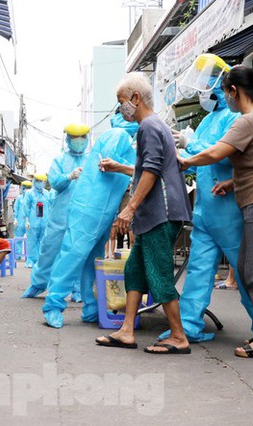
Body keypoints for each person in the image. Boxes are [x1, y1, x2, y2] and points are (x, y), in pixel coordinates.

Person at [178, 66, 253, 359]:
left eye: (226, 92)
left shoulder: (246, 120)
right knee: (248, 270)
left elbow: (215, 153)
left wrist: (186, 159)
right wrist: (231, 182)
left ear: (233, 91)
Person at [156, 54, 253, 343]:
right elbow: (194, 157)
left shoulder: (235, 118)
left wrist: (190, 144)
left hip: (227, 210)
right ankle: (187, 325)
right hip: (205, 210)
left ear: (224, 89)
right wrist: (179, 149)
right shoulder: (207, 121)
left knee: (245, 271)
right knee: (199, 270)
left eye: (207, 88)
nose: (203, 94)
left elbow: (219, 153)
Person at [94, 72, 192, 354]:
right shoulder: (155, 125)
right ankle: (127, 330)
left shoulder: (148, 127)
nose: (120, 107)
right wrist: (122, 169)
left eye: (121, 101)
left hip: (160, 214)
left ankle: (178, 336)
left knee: (159, 274)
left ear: (135, 99)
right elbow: (154, 168)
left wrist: (130, 207)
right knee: (134, 270)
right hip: (157, 215)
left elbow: (151, 170)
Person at [41, 112, 138, 328]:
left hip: (101, 210)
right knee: (72, 257)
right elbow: (109, 163)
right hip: (89, 209)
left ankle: (91, 308)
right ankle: (53, 304)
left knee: (90, 263)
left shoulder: (127, 140)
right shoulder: (119, 134)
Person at [22, 123, 90, 301]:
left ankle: (78, 290)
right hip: (60, 214)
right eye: (75, 137)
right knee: (49, 249)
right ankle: (38, 283)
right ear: (67, 138)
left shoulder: (91, 160)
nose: (79, 141)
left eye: (82, 137)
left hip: (82, 213)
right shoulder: (60, 160)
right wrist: (69, 176)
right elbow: (53, 181)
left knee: (78, 253)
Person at [23, 174, 50, 268]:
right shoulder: (29, 193)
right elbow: (26, 207)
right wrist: (26, 220)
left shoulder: (47, 193)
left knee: (43, 241)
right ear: (34, 181)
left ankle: (40, 261)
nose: (40, 183)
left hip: (44, 221)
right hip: (33, 221)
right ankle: (31, 260)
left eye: (42, 181)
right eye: (38, 181)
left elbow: (50, 207)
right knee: (32, 241)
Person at [12, 181, 32, 259]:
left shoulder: (32, 198)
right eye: (25, 188)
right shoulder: (19, 198)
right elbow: (16, 208)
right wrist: (15, 219)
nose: (26, 189)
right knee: (18, 237)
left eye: (28, 188)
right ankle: (18, 255)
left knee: (30, 239)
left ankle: (29, 256)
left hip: (29, 221)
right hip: (20, 221)